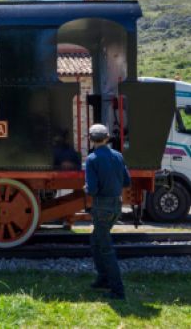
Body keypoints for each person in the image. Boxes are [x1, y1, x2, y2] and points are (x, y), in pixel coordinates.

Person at [85, 123, 131, 300]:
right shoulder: (118, 156)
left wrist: (86, 188)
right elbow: (127, 182)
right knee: (96, 240)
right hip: (116, 206)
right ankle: (103, 279)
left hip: (101, 207)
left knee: (105, 248)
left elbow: (93, 190)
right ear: (106, 138)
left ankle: (117, 290)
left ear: (91, 139)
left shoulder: (92, 159)